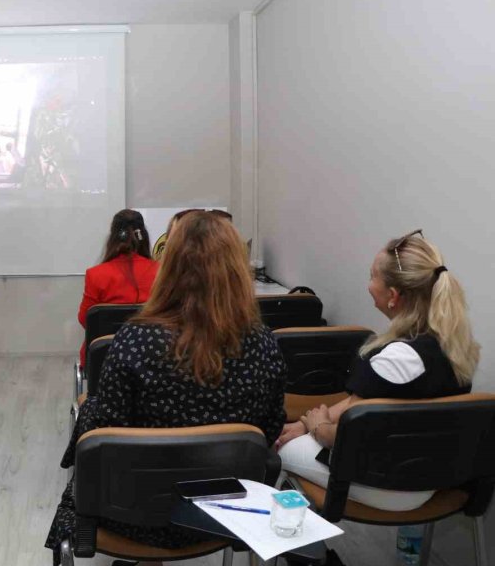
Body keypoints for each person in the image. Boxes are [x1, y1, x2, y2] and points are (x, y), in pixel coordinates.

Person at [46, 211, 287, 565]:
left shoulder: (134, 340)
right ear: (238, 270)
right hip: (226, 513)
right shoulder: (263, 344)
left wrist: (89, 411)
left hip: (131, 513)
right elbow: (269, 429)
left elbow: (104, 432)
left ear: (169, 267)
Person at [277, 229, 479, 511]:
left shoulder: (398, 357)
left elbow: (342, 434)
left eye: (372, 276)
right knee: (295, 435)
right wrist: (302, 424)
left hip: (389, 485)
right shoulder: (455, 345)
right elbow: (361, 403)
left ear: (393, 295)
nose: (369, 285)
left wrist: (317, 426)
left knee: (282, 449)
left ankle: (299, 546)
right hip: (434, 476)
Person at [76, 209, 159, 367]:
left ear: (113, 237)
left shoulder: (96, 274)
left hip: (105, 360)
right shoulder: (162, 272)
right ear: (143, 236)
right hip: (153, 358)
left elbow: (85, 320)